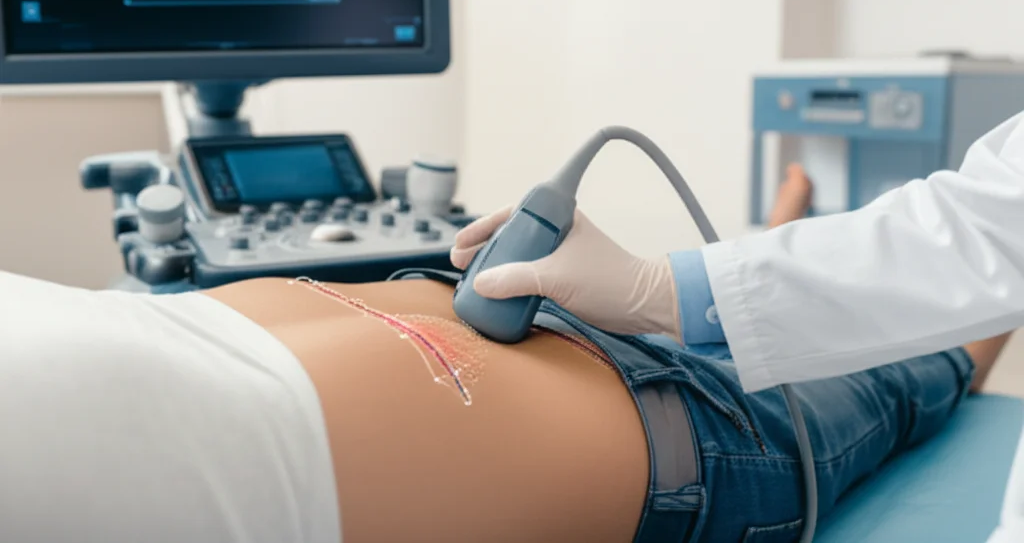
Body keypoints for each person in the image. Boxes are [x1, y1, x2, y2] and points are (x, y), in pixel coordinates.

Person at [0, 180, 1010, 543]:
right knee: (895, 364)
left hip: (473, 304)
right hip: (678, 429)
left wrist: (669, 286)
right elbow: (986, 240)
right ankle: (965, 336)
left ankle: (761, 248)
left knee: (780, 301)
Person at [453, 113, 1024, 542]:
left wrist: (658, 290)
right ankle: (768, 246)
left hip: (687, 426)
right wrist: (666, 293)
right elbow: (985, 230)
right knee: (732, 332)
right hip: (593, 353)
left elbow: (988, 240)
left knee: (881, 367)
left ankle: (972, 345)